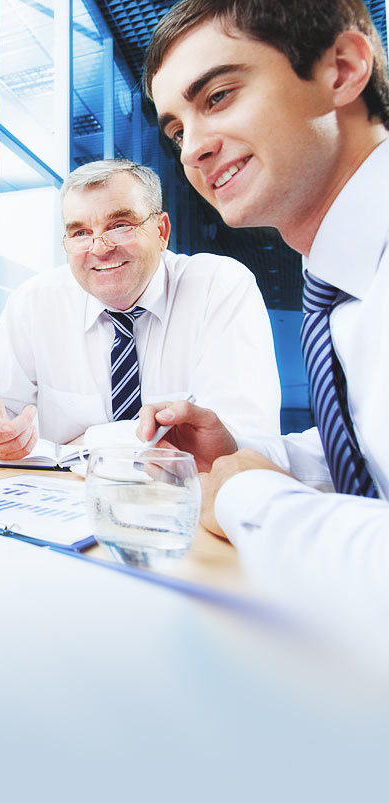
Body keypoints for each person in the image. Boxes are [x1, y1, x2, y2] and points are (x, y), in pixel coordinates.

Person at [143, 0, 389, 618]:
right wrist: (242, 457)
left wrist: (250, 497)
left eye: (219, 96)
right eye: (177, 132)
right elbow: (373, 454)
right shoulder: (337, 279)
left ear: (341, 69)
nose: (191, 152)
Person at [0, 159, 279, 459]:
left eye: (120, 225)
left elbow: (240, 435)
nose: (99, 248)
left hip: (184, 496)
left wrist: (88, 441)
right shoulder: (35, 301)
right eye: (80, 233)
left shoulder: (218, 287)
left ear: (161, 232)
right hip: (64, 496)